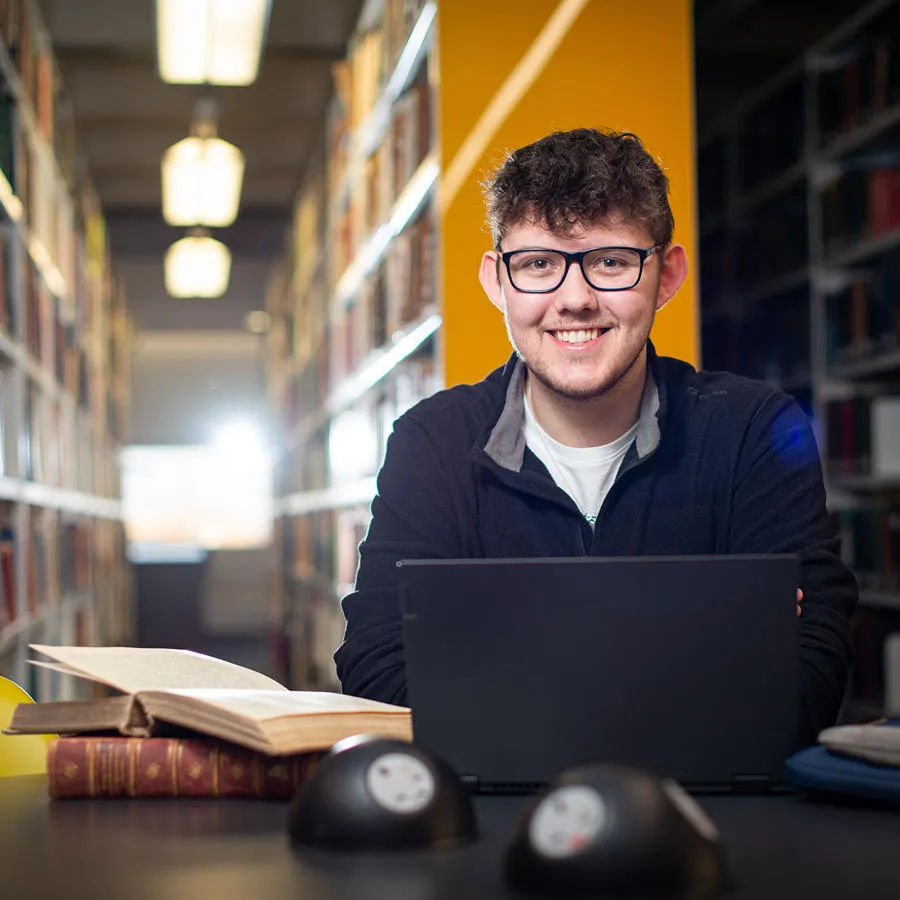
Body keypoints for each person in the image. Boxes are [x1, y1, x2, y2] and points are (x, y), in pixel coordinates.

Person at [334, 127, 858, 746]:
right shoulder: (430, 443)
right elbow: (377, 672)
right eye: (538, 265)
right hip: (487, 832)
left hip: (720, 826)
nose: (574, 299)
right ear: (497, 282)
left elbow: (807, 681)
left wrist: (490, 669)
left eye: (611, 262)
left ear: (665, 276)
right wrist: (702, 650)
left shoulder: (755, 431)